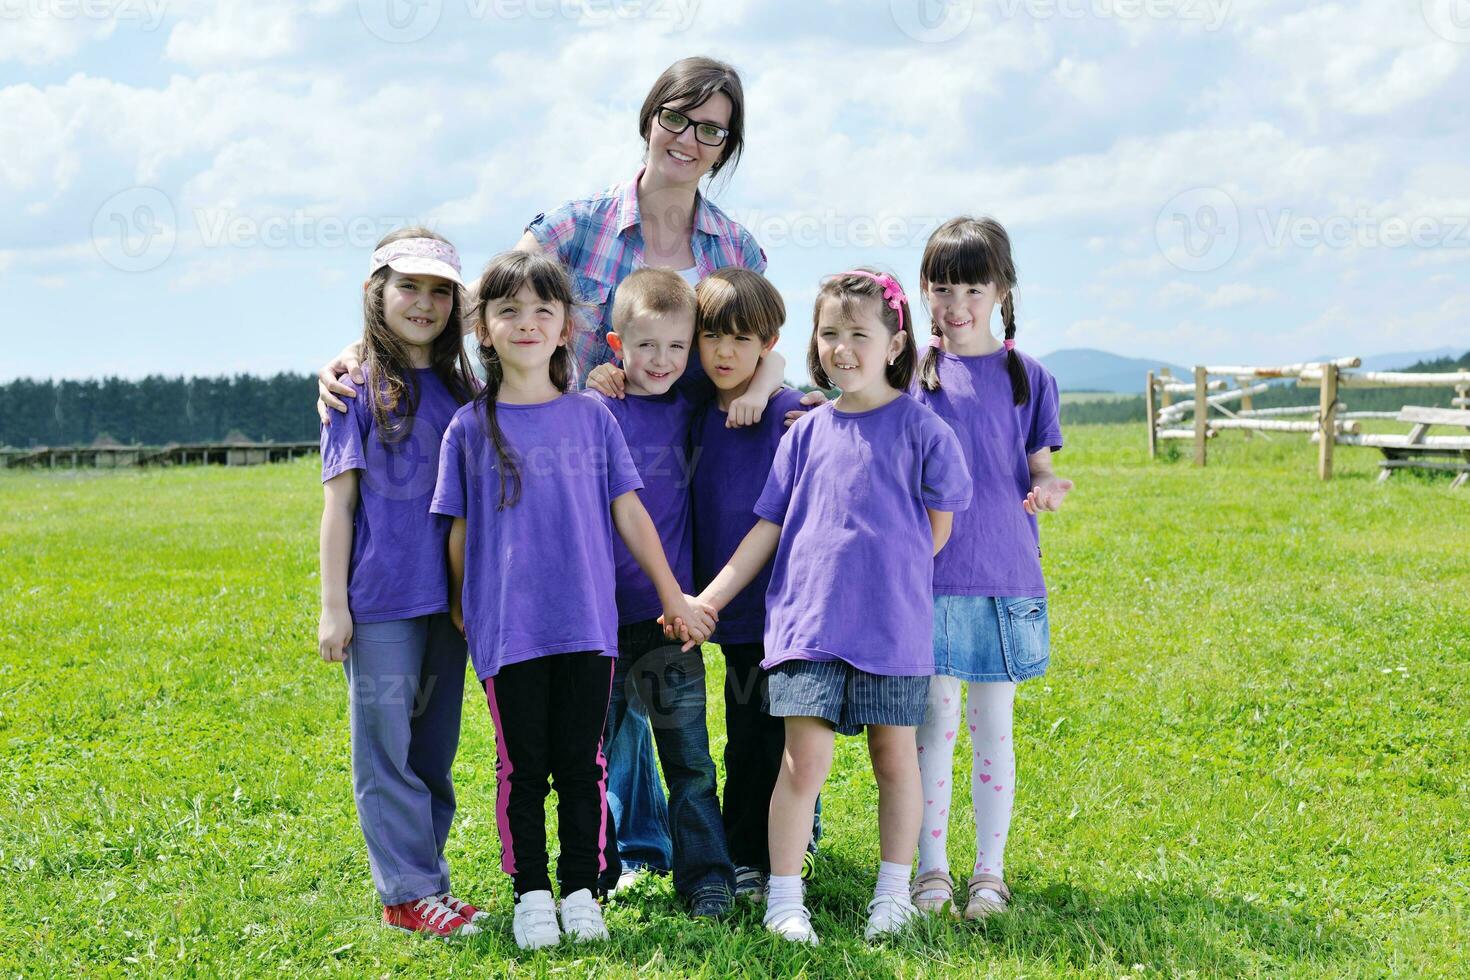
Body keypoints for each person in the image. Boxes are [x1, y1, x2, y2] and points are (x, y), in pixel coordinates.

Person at [429, 250, 712, 950]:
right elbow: (458, 531)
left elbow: (631, 515)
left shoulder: (592, 419)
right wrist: (463, 603)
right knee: (521, 767)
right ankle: (531, 893)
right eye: (508, 311)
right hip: (509, 629)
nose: (526, 323)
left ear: (565, 330)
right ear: (483, 330)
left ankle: (582, 888)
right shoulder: (469, 427)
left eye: (542, 311)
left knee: (583, 764)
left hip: (588, 625)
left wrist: (673, 594)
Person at [685, 270, 972, 944]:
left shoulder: (922, 430)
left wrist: (885, 578)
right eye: (831, 333)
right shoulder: (805, 433)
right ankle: (785, 899)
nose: (843, 348)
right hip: (806, 629)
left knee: (894, 759)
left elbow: (937, 527)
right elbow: (767, 529)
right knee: (800, 765)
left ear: (895, 343)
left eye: (860, 335)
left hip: (891, 630)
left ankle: (893, 894)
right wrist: (712, 598)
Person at [317, 229, 483, 938]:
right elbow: (339, 504)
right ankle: (405, 892)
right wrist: (333, 607)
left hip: (451, 603)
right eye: (408, 287)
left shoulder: (465, 389)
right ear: (374, 292)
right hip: (381, 599)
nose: (424, 303)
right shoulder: (352, 387)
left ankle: (427, 884)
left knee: (433, 751)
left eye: (441, 291)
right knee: (384, 749)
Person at [908, 217, 1072, 920]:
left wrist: (1050, 488)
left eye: (973, 287)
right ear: (923, 292)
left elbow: (1039, 466)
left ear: (1001, 290)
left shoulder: (1027, 377)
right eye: (941, 287)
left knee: (992, 729)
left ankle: (989, 874)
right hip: (929, 580)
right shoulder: (911, 371)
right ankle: (932, 870)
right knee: (932, 730)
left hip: (1006, 578)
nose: (956, 303)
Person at [585, 268, 736, 916]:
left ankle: (706, 877)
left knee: (691, 759)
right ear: (616, 345)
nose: (662, 361)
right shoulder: (596, 409)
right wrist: (589, 378)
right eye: (646, 346)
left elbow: (754, 361)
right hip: (597, 622)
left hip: (670, 621)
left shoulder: (690, 405)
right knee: (592, 758)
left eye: (677, 347)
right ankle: (599, 871)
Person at [687, 268, 808, 903]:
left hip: (781, 607)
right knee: (747, 730)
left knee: (773, 733)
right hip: (725, 611)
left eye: (742, 338)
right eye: (712, 336)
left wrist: (775, 387)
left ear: (766, 342)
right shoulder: (691, 408)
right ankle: (754, 849)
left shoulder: (788, 413)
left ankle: (761, 855)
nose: (725, 352)